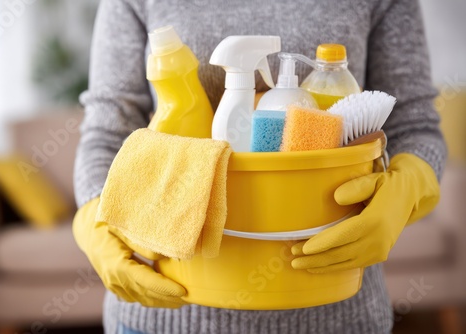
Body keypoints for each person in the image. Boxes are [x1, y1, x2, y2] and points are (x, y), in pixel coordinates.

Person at [72, 0, 447, 333]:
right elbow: (106, 131)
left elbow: (414, 125)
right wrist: (95, 214)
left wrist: (410, 185)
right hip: (166, 315)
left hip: (336, 313)